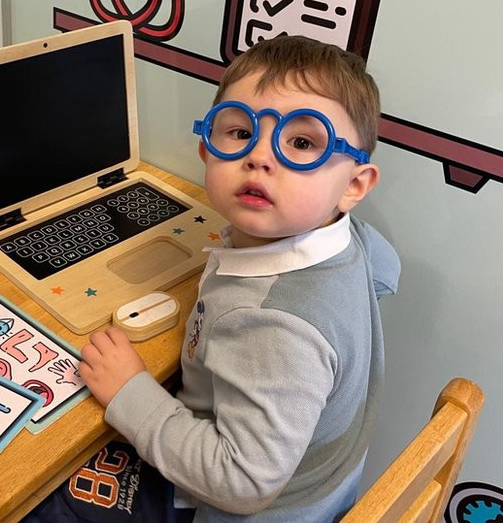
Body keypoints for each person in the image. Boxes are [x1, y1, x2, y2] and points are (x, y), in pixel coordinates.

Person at [25, 34, 400, 522]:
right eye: (240, 133)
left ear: (353, 185)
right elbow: (386, 273)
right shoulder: (357, 242)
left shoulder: (274, 327)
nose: (260, 157)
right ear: (207, 149)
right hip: (324, 481)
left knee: (36, 504)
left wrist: (130, 392)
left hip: (232, 505)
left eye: (303, 143)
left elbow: (240, 483)